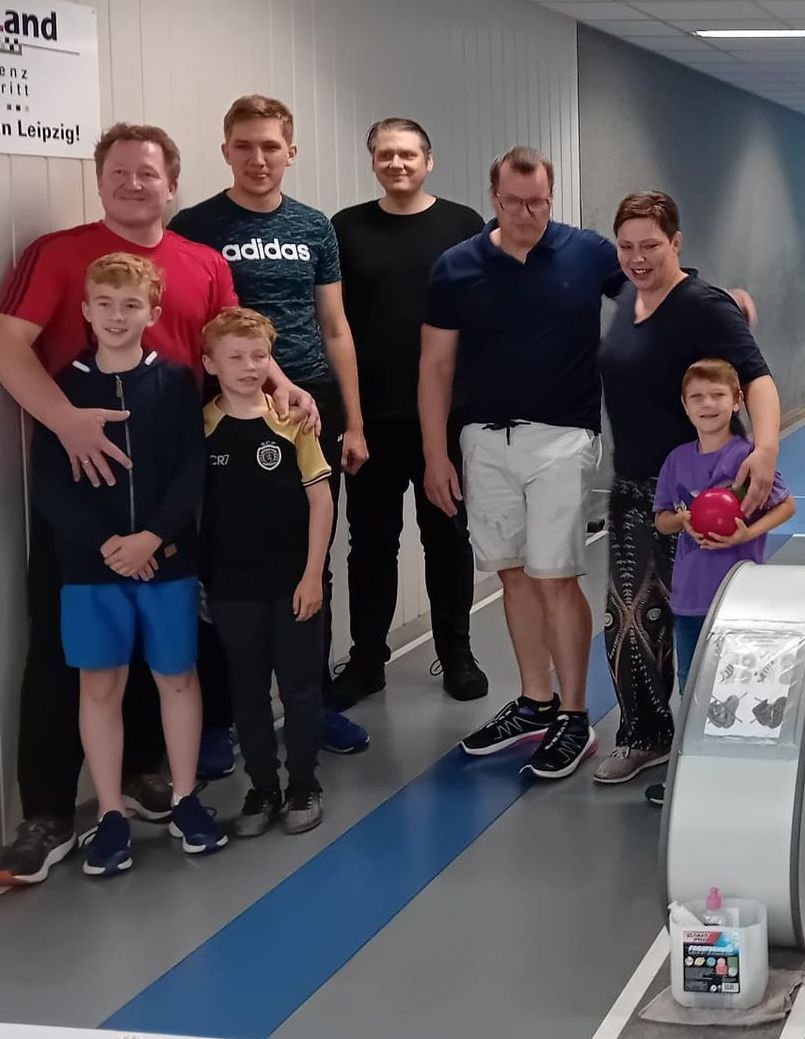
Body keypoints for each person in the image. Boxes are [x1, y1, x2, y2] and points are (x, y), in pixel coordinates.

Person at [0, 122, 311, 887]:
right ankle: (48, 812)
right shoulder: (60, 254)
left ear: (171, 183)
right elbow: (10, 344)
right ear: (99, 179)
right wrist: (65, 421)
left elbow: (236, 341)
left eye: (148, 172)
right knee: (68, 659)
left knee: (165, 651)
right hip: (85, 489)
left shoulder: (201, 262)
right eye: (119, 171)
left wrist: (284, 385)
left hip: (172, 489)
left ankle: (149, 776)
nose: (134, 184)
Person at [169, 94, 371, 761]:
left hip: (307, 403)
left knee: (312, 551)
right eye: (245, 146)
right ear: (226, 150)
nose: (258, 159)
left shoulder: (314, 227)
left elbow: (334, 327)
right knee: (224, 560)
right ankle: (221, 718)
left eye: (271, 146)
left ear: (291, 151)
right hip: (227, 407)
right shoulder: (196, 226)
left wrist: (353, 419)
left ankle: (314, 704)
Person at [424, 146, 621, 781]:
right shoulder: (457, 266)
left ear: (551, 197)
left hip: (563, 438)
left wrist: (718, 301)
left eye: (539, 202)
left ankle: (575, 714)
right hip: (483, 441)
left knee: (555, 575)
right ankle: (536, 701)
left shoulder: (587, 252)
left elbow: (653, 290)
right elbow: (436, 365)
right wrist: (435, 454)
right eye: (515, 202)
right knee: (512, 574)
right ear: (494, 198)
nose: (528, 212)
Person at [27, 253, 224, 876]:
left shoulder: (174, 381)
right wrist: (110, 544)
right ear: (86, 311)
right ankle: (111, 813)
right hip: (91, 570)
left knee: (177, 677)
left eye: (131, 305)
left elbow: (190, 470)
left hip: (167, 564)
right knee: (100, 686)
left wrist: (153, 539)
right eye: (105, 305)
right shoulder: (63, 386)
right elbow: (49, 486)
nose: (117, 316)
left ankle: (187, 798)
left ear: (153, 313)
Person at [596, 190, 779, 792]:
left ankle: (720, 741)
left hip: (704, 490)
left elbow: (756, 378)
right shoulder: (627, 296)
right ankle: (646, 736)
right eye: (626, 246)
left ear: (676, 243)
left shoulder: (703, 305)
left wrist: (765, 450)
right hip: (634, 488)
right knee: (630, 619)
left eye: (651, 245)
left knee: (707, 624)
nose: (637, 257)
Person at [330, 116, 488, 704]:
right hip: (371, 418)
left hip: (446, 416)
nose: (396, 163)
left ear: (429, 161)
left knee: (447, 537)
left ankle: (457, 654)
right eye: (385, 155)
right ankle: (367, 660)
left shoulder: (463, 225)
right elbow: (336, 324)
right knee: (371, 545)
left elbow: (485, 312)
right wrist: (351, 420)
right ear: (373, 161)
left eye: (408, 154)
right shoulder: (346, 228)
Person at [200, 308, 336, 836]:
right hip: (232, 587)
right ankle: (262, 788)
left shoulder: (292, 421)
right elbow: (191, 511)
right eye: (235, 357)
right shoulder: (201, 428)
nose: (249, 366)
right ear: (211, 364)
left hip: (294, 583)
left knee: (300, 688)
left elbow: (321, 501)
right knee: (247, 691)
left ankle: (304, 783)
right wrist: (199, 579)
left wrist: (312, 574)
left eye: (259, 355)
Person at [652, 360, 794, 774]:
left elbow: (787, 505)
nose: (707, 404)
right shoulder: (677, 461)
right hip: (690, 598)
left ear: (736, 402)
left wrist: (745, 535)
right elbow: (661, 519)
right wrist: (683, 519)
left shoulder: (747, 457)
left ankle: (737, 762)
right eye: (697, 397)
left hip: (740, 596)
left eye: (717, 395)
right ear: (685, 405)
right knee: (693, 684)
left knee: (740, 683)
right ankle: (693, 768)